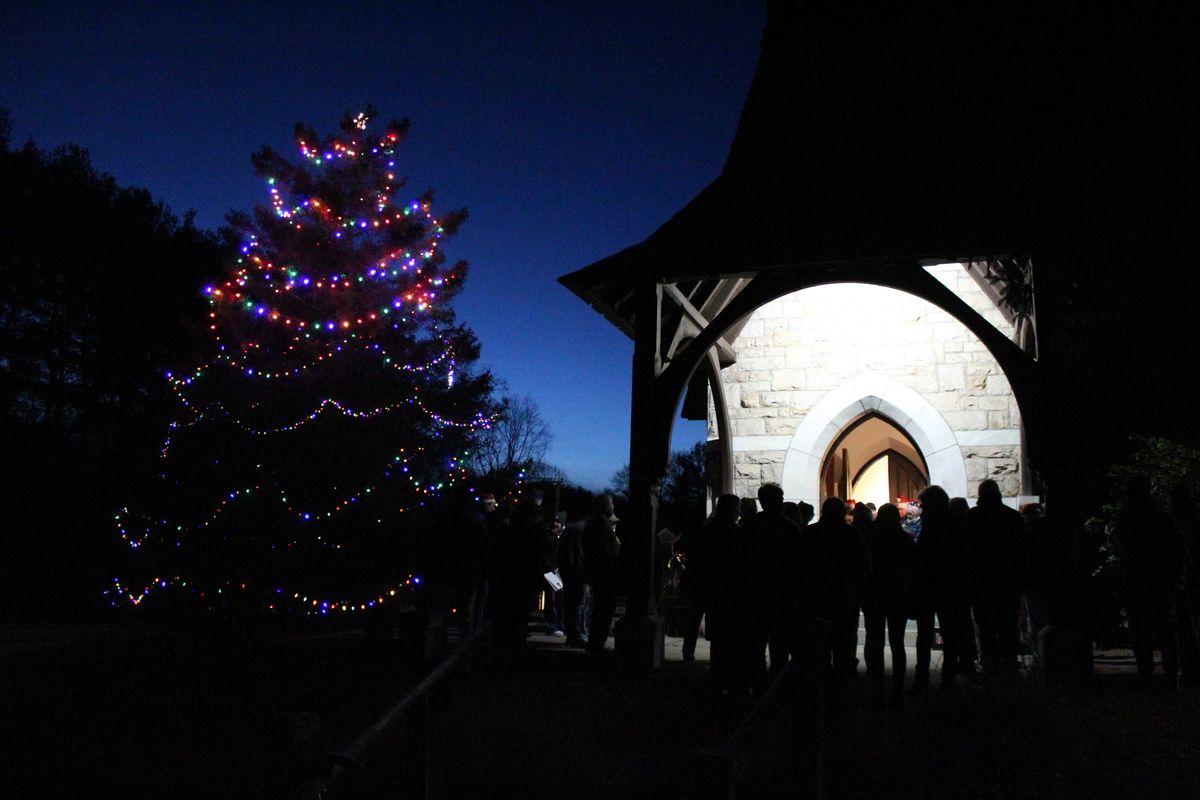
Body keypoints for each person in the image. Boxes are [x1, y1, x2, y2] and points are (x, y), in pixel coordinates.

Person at [1116, 475, 1184, 688]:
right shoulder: (1162, 518)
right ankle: (1170, 671)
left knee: (1142, 629)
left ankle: (1147, 671)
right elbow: (1176, 550)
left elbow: (1124, 549)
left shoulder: (1128, 519)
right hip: (1157, 579)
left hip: (1140, 579)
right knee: (1162, 627)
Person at [801, 496, 870, 698]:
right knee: (844, 646)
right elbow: (864, 566)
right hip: (844, 599)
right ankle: (840, 693)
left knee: (819, 650)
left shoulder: (810, 533)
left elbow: (801, 567)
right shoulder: (852, 534)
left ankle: (820, 692)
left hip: (817, 600)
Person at [966, 479, 1027, 682]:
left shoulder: (973, 518)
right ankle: (1009, 667)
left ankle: (991, 666)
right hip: (1007, 582)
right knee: (1007, 627)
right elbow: (1021, 552)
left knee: (987, 629)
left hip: (982, 583)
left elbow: (967, 551)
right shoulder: (1012, 517)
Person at [911, 485, 969, 690]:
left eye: (924, 505)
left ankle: (926, 679)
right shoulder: (954, 525)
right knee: (946, 633)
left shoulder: (934, 526)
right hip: (946, 586)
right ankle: (946, 678)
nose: (922, 509)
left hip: (937, 586)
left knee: (929, 634)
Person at [745, 483, 802, 690]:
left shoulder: (751, 526)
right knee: (779, 647)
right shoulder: (789, 528)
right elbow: (797, 564)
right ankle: (777, 688)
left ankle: (759, 685)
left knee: (757, 646)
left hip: (758, 594)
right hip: (781, 596)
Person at [862, 503, 915, 709]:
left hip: (874, 595)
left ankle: (876, 687)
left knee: (874, 641)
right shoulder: (904, 540)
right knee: (897, 642)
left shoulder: (870, 539)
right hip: (897, 596)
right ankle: (897, 689)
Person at [703, 494, 750, 691]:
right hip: (731, 593)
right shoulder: (736, 532)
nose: (739, 512)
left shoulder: (708, 530)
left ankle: (717, 679)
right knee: (731, 638)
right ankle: (729, 680)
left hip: (714, 591)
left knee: (718, 640)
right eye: (737, 508)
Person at [583, 493, 621, 654]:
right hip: (603, 574)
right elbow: (606, 551)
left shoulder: (594, 522)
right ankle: (597, 642)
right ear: (606, 506)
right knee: (604, 608)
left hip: (598, 573)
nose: (613, 506)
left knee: (601, 607)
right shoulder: (600, 524)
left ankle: (596, 641)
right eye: (611, 504)